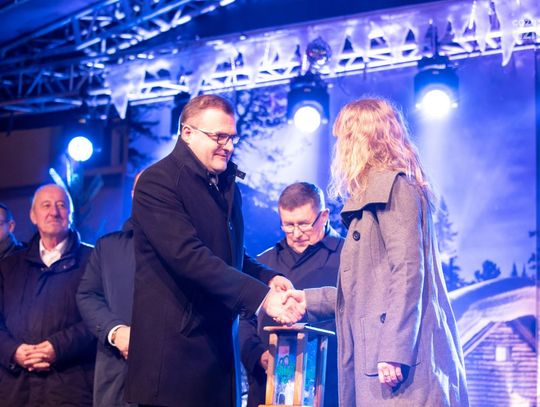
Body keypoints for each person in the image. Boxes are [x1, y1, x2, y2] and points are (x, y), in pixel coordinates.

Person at [283, 98, 469, 406]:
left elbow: (409, 272)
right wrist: (308, 300)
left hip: (398, 366)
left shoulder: (395, 189)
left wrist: (394, 350)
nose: (339, 150)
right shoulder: (375, 196)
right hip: (382, 361)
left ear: (360, 140)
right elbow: (366, 293)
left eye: (343, 139)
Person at [125, 94, 302, 407]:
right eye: (219, 136)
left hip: (217, 355)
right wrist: (262, 298)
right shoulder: (158, 183)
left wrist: (267, 277)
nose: (228, 145)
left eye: (232, 137)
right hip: (175, 364)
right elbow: (189, 256)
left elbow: (229, 253)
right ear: (187, 132)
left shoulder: (225, 184)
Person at [239, 182, 343, 407]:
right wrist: (258, 355)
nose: (296, 234)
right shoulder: (263, 264)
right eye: (288, 225)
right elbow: (243, 320)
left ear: (324, 216)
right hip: (267, 387)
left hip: (329, 389)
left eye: (304, 224)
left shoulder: (347, 259)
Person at [0, 184, 96, 406]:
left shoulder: (93, 260)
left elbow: (100, 319)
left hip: (71, 389)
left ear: (71, 214)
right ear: (33, 216)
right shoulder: (8, 266)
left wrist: (58, 347)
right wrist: (13, 351)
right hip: (15, 390)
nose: (54, 212)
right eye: (46, 205)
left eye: (61, 205)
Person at [76, 173, 143, 407]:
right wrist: (115, 332)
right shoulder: (108, 246)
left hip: (171, 377)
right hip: (117, 373)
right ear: (133, 195)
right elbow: (87, 295)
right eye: (142, 189)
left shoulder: (186, 249)